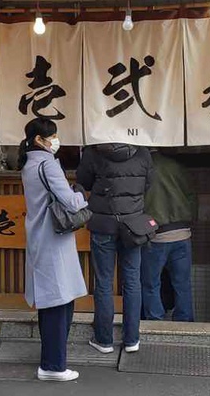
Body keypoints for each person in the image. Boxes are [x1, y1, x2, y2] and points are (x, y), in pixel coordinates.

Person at [19, 118, 88, 382]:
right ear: (40, 139)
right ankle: (53, 366)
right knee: (59, 303)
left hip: (39, 237)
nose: (56, 141)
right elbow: (70, 202)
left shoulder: (28, 163)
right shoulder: (47, 163)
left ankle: (51, 361)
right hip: (53, 240)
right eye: (53, 136)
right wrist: (81, 195)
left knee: (52, 302)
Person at [77, 143, 153, 354]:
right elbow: (148, 184)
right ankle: (132, 340)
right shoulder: (143, 151)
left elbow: (83, 182)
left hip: (103, 225)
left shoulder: (94, 151)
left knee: (103, 281)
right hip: (133, 226)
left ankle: (104, 340)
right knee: (132, 280)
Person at [140, 150, 196, 322]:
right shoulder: (177, 166)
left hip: (156, 234)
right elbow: (192, 197)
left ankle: (155, 320)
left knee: (151, 283)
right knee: (183, 283)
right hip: (182, 233)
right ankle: (184, 321)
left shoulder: (143, 168)